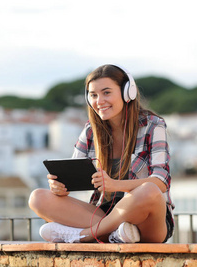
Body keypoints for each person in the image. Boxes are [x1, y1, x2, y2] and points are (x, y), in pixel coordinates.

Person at [28, 64, 174, 243]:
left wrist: (115, 185)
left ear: (128, 92)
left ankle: (85, 235)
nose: (99, 101)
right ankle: (116, 235)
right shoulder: (90, 131)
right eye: (93, 95)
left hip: (146, 220)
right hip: (105, 212)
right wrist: (59, 187)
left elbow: (161, 182)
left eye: (106, 92)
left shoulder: (153, 125)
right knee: (37, 198)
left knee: (149, 190)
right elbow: (73, 174)